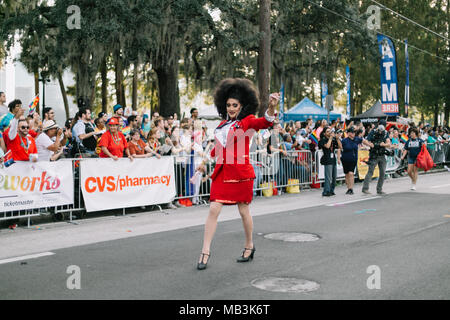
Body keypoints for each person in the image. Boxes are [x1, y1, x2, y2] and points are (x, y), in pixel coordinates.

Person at [196, 78, 279, 270]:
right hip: (222, 172)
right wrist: (204, 163)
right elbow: (217, 150)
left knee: (243, 211)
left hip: (241, 173)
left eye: (235, 105)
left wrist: (271, 107)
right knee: (213, 209)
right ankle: (205, 251)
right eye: (228, 105)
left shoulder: (248, 121)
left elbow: (265, 122)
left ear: (242, 105)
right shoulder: (221, 126)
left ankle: (249, 245)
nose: (231, 108)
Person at [362, 120, 391, 195]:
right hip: (374, 155)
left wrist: (383, 145)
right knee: (370, 171)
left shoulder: (386, 133)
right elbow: (366, 141)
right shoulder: (373, 132)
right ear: (378, 125)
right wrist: (370, 144)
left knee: (383, 173)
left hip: (382, 154)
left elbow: (388, 143)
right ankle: (365, 188)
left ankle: (379, 189)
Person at [340, 127, 370, 195]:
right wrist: (339, 158)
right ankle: (348, 188)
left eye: (354, 132)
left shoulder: (356, 139)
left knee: (351, 173)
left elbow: (363, 141)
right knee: (347, 174)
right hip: (345, 159)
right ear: (348, 133)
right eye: (351, 132)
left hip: (353, 159)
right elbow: (340, 148)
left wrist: (369, 145)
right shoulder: (344, 140)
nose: (353, 134)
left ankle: (351, 188)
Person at [319, 126, 342, 197]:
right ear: (324, 133)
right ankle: (326, 191)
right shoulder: (323, 140)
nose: (329, 133)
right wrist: (331, 138)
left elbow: (340, 147)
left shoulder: (333, 139)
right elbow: (328, 146)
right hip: (327, 159)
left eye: (330, 131)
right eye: (327, 132)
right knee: (328, 177)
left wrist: (337, 139)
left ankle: (332, 190)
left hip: (333, 159)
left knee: (334, 177)